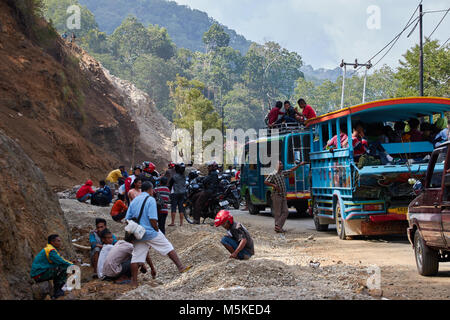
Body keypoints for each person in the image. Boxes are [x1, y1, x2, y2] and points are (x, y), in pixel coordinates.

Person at [125, 181, 192, 287]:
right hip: (149, 231)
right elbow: (152, 219)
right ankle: (180, 267)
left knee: (136, 257)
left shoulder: (134, 200)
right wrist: (157, 229)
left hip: (137, 233)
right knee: (168, 247)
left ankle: (134, 281)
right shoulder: (150, 200)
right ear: (150, 190)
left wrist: (135, 229)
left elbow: (127, 219)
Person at [264, 160, 305, 233]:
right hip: (276, 195)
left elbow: (291, 170)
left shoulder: (282, 173)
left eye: (282, 164)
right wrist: (274, 185)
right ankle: (278, 228)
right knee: (278, 213)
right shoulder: (273, 174)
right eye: (280, 164)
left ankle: (278, 226)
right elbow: (266, 182)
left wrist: (299, 165)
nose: (282, 165)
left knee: (286, 211)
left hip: (283, 195)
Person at [30, 235, 73, 299]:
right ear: (52, 242)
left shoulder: (49, 249)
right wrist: (72, 265)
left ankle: (57, 290)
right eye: (58, 241)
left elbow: (60, 260)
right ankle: (58, 291)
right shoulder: (51, 250)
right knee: (63, 268)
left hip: (39, 273)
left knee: (60, 267)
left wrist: (70, 263)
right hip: (39, 274)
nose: (60, 243)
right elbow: (60, 261)